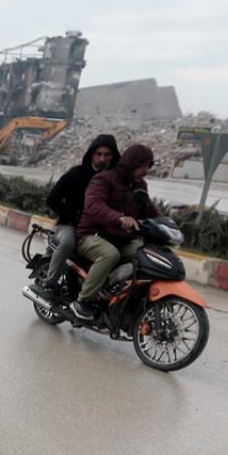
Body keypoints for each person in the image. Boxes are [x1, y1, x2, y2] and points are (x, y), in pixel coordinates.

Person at [70, 143, 160, 321]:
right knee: (110, 255)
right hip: (90, 235)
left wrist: (168, 226)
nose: (146, 170)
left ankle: (126, 297)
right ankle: (84, 300)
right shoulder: (103, 179)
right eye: (143, 166)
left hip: (120, 239)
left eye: (149, 166)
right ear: (132, 163)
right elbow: (94, 205)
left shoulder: (140, 185)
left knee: (146, 253)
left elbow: (149, 209)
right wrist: (118, 218)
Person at [33, 134, 121, 300]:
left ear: (114, 156)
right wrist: (73, 215)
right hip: (69, 226)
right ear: (91, 154)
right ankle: (49, 284)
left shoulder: (114, 180)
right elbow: (52, 199)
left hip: (97, 230)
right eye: (98, 154)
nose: (102, 158)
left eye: (107, 154)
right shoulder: (77, 173)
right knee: (67, 243)